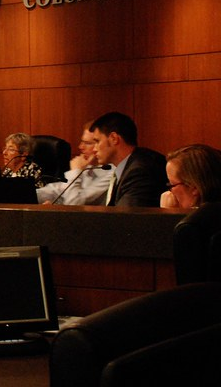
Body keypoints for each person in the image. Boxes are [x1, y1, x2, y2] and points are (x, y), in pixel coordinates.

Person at [161, 144, 221, 285]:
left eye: (171, 185)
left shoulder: (191, 227)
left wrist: (167, 214)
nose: (169, 193)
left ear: (193, 187)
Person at [89, 111, 167, 207]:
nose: (94, 149)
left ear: (114, 138)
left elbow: (124, 218)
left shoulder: (140, 171)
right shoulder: (129, 167)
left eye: (97, 141)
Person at [37, 122, 113, 204]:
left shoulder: (110, 173)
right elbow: (58, 190)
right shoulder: (87, 166)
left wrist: (75, 171)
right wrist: (29, 195)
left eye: (87, 143)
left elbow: (74, 203)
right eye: (82, 142)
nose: (81, 147)